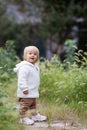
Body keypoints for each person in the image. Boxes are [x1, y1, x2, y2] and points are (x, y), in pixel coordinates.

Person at [13, 46, 47, 125]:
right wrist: (24, 88)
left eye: (35, 54)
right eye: (30, 53)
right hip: (26, 91)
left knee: (33, 105)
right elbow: (21, 79)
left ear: (37, 57)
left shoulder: (34, 67)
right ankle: (23, 118)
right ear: (25, 56)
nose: (32, 55)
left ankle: (35, 115)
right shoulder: (24, 67)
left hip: (32, 91)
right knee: (25, 105)